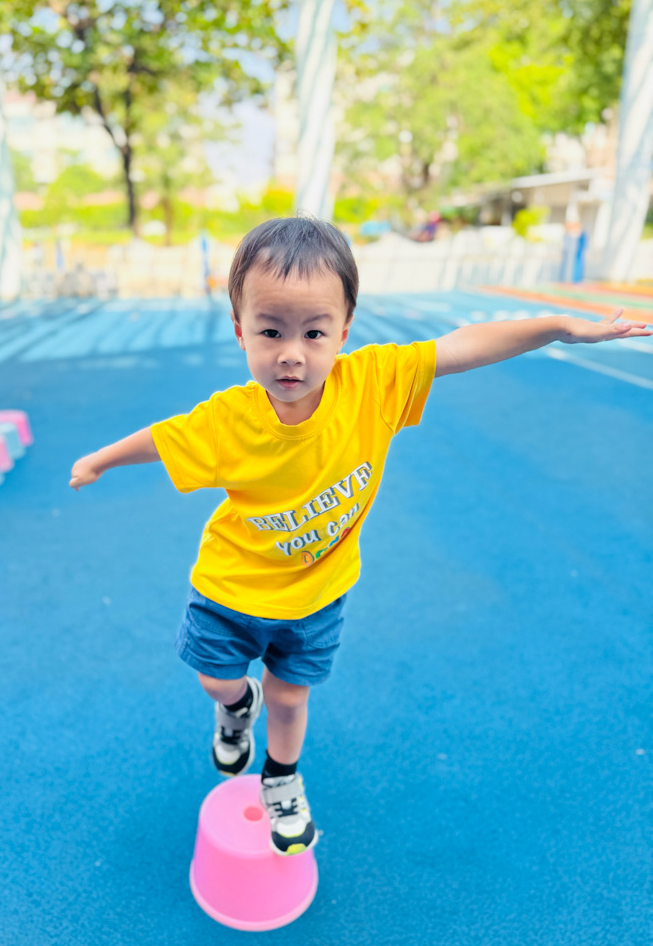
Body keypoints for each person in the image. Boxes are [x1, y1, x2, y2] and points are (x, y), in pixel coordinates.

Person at [69, 216, 650, 856]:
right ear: (240, 329)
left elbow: (465, 345)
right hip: (230, 588)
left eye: (314, 332)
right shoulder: (228, 421)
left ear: (344, 330)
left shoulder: (373, 384)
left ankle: (281, 777)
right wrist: (101, 459)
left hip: (317, 595)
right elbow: (164, 437)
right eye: (270, 331)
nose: (292, 353)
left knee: (290, 698)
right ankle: (235, 706)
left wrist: (560, 327)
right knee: (216, 681)